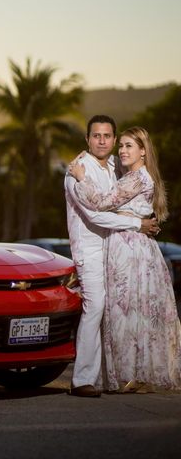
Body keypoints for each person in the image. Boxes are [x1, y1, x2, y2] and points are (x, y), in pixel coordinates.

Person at [69, 126, 181, 392]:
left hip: (130, 250)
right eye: (123, 146)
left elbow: (101, 202)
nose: (122, 151)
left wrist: (81, 177)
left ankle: (128, 376)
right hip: (129, 245)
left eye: (129, 146)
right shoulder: (133, 176)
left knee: (126, 312)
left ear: (143, 151)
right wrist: (134, 219)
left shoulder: (136, 178)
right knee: (132, 312)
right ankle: (131, 376)